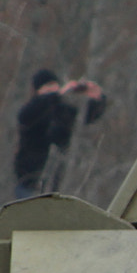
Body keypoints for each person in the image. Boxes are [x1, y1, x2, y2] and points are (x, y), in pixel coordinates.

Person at [14, 70, 107, 199]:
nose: (52, 89)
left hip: (54, 178)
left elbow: (85, 116)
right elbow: (29, 113)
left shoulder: (61, 112)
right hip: (29, 178)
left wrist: (97, 98)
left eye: (54, 85)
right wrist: (59, 94)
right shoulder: (31, 111)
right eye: (48, 87)